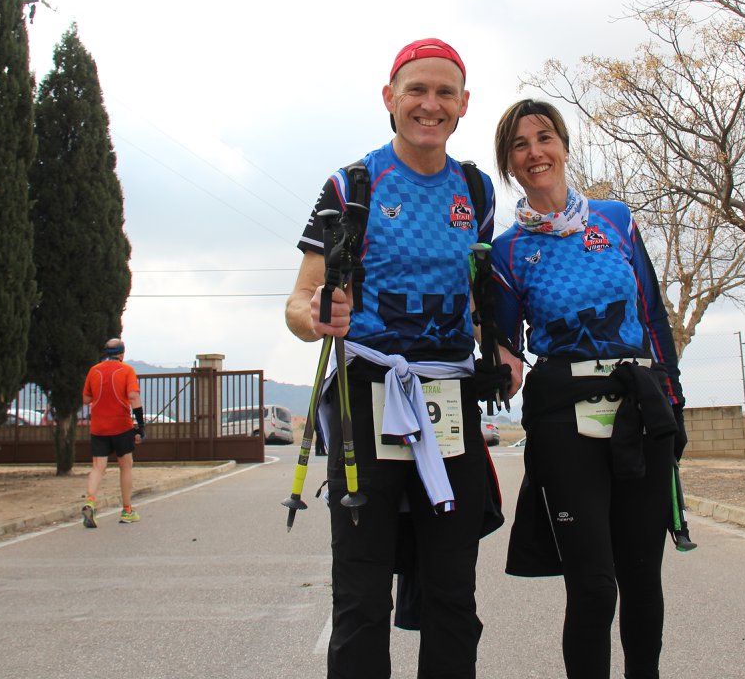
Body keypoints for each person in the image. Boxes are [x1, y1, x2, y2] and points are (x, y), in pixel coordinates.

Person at [285, 38, 499, 679]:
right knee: (361, 594)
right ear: (390, 97)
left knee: (452, 594)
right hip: (366, 390)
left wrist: (501, 347)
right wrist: (318, 315)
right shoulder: (351, 185)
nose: (430, 105)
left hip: (449, 395)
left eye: (444, 93)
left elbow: (479, 295)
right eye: (417, 91)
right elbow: (298, 305)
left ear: (463, 104)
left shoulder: (476, 190)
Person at [490, 99, 686, 679]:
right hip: (563, 419)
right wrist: (499, 362)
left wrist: (673, 399)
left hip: (639, 406)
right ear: (509, 164)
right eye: (519, 145)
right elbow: (505, 344)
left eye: (544, 138)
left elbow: (651, 313)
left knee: (642, 580)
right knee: (594, 587)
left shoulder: (617, 219)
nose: (535, 152)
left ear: (564, 145)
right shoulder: (507, 251)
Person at [80, 337, 145, 527]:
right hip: (121, 426)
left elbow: (86, 399)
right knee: (126, 465)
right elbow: (133, 397)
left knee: (98, 467)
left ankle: (90, 502)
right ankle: (127, 510)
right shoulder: (127, 370)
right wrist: (141, 425)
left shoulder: (94, 370)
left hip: (99, 427)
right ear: (122, 354)